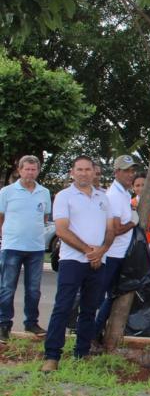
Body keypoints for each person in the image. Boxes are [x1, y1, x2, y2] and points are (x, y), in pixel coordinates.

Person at [41, 156, 114, 371]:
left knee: (90, 310)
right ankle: (52, 356)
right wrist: (89, 252)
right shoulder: (64, 196)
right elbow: (62, 230)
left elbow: (111, 230)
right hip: (72, 261)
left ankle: (82, 353)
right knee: (63, 307)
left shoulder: (103, 198)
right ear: (72, 172)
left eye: (87, 169)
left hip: (99, 262)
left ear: (94, 172)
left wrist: (101, 251)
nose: (83, 173)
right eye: (79, 169)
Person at [0, 155, 51, 342]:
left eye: (33, 169)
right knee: (7, 288)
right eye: (27, 169)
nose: (30, 172)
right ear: (19, 170)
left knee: (33, 289)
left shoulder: (44, 192)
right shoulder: (7, 192)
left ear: (38, 171)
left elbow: (45, 218)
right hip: (12, 246)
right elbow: (1, 217)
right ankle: (4, 324)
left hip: (36, 248)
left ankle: (31, 323)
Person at [93, 155, 140, 344]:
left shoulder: (124, 193)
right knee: (101, 296)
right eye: (126, 171)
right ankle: (90, 334)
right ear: (116, 172)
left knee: (111, 296)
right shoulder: (114, 195)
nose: (131, 174)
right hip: (111, 254)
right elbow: (116, 229)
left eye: (132, 171)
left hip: (120, 254)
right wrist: (133, 223)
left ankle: (95, 333)